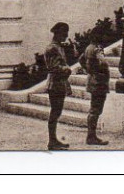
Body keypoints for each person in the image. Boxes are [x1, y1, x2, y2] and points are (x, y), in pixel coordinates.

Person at [44, 21, 73, 150]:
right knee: (55, 111)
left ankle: (54, 139)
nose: (66, 36)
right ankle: (52, 141)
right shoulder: (52, 48)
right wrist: (66, 69)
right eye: (64, 33)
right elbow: (53, 67)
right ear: (58, 33)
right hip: (55, 83)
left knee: (57, 111)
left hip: (59, 82)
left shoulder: (58, 46)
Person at [80, 29, 111, 146]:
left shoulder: (89, 48)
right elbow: (103, 63)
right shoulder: (97, 49)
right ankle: (91, 136)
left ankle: (91, 135)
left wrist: (89, 70)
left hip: (93, 80)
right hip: (99, 82)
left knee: (94, 109)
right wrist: (98, 71)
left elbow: (81, 59)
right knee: (96, 109)